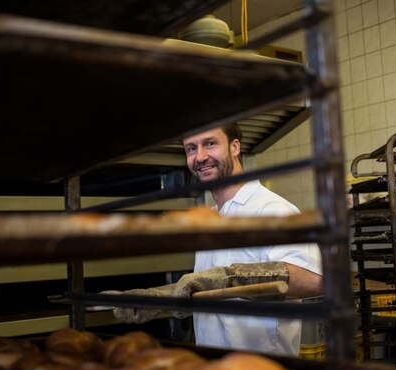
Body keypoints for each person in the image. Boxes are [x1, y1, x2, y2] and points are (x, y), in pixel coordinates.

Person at [109, 123, 322, 356]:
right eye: (191, 149)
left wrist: (228, 278)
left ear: (234, 147)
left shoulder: (271, 210)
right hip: (214, 367)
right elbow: (208, 286)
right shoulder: (212, 219)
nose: (200, 157)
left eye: (210, 144)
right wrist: (160, 298)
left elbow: (312, 279)